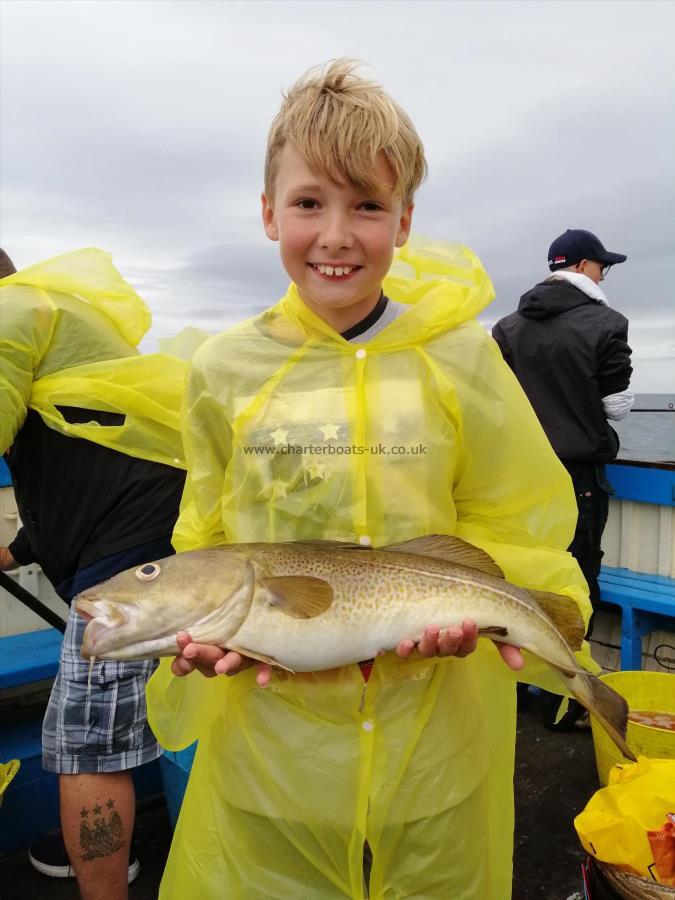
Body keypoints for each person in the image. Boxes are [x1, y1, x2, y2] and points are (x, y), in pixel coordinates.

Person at [146, 61, 591, 899]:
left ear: (405, 220)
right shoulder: (222, 370)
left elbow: (515, 520)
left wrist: (468, 606)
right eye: (310, 202)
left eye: (369, 206)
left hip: (435, 737)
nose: (338, 234)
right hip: (275, 750)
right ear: (269, 210)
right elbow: (204, 537)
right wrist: (206, 635)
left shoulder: (462, 358)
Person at [0, 247, 187, 900]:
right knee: (117, 725)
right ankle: (109, 844)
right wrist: (16, 552)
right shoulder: (55, 319)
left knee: (87, 744)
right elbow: (81, 455)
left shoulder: (7, 316)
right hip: (162, 537)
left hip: (128, 565)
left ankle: (104, 883)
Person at [492, 229, 633, 617]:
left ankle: (519, 674)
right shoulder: (607, 323)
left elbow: (494, 400)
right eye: (602, 267)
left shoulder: (506, 327)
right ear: (584, 266)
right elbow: (617, 406)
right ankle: (568, 670)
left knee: (522, 569)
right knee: (577, 574)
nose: (602, 276)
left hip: (517, 476)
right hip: (578, 477)